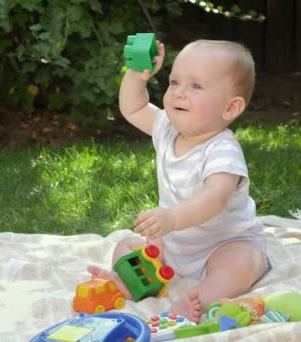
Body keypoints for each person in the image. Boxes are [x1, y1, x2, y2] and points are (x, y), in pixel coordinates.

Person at [87, 39, 268, 323]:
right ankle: (130, 284)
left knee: (241, 264)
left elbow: (215, 198)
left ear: (230, 108)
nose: (179, 93)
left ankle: (197, 299)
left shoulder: (223, 150)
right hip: (174, 245)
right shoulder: (167, 130)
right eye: (174, 82)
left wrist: (172, 217)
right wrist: (138, 74)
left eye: (196, 86)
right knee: (126, 247)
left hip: (223, 243)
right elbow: (133, 109)